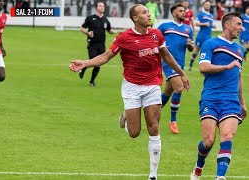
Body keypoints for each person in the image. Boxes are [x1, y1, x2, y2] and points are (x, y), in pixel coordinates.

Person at [69, 4, 190, 180]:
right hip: (132, 87)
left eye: (148, 12)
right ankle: (126, 115)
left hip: (152, 85)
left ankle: (153, 175)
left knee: (154, 126)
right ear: (135, 18)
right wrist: (85, 63)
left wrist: (182, 73)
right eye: (144, 13)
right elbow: (105, 57)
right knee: (134, 133)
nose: (148, 15)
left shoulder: (156, 34)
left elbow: (166, 56)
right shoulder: (124, 37)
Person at [190, 12, 247, 180]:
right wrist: (226, 67)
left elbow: (239, 76)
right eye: (238, 24)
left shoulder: (239, 49)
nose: (241, 28)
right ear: (227, 25)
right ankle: (199, 165)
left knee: (227, 136)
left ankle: (220, 177)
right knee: (208, 142)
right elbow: (203, 68)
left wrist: (242, 103)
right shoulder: (211, 43)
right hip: (211, 97)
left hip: (231, 101)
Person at [158, 3, 194, 134]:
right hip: (167, 62)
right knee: (179, 88)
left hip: (180, 64)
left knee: (168, 92)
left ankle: (150, 112)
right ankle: (173, 121)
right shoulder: (165, 27)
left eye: (184, 11)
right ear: (174, 13)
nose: (184, 13)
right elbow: (154, 39)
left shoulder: (188, 29)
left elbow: (191, 48)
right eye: (180, 11)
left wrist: (190, 45)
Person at [79, 1, 117, 86]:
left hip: (101, 45)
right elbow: (82, 28)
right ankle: (83, 67)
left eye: (103, 6)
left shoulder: (105, 20)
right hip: (92, 44)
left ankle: (92, 81)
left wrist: (114, 31)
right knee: (93, 60)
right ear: (96, 7)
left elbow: (109, 30)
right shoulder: (90, 18)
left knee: (99, 63)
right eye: (100, 6)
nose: (102, 7)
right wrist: (87, 33)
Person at [188, 0, 215, 72]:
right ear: (203, 6)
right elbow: (196, 23)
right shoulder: (201, 14)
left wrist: (213, 26)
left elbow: (210, 25)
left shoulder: (211, 15)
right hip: (201, 36)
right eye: (206, 5)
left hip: (208, 36)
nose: (208, 6)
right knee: (196, 51)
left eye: (209, 5)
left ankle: (206, 68)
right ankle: (190, 66)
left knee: (208, 52)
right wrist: (204, 24)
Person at [0, 0, 7, 83]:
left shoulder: (4, 17)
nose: (1, 3)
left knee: (1, 76)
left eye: (2, 1)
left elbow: (0, 34)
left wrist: (2, 48)